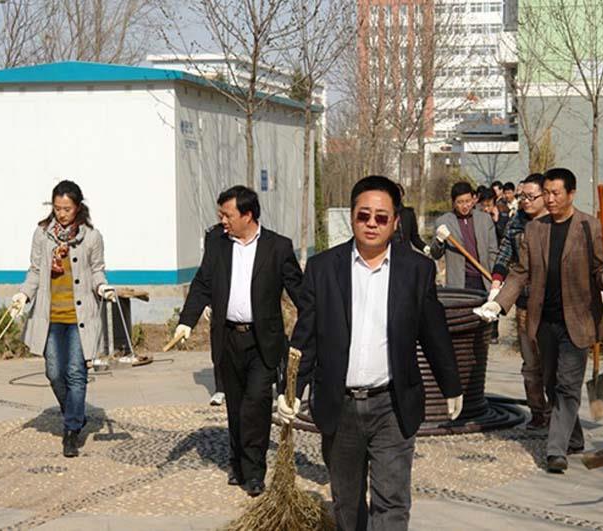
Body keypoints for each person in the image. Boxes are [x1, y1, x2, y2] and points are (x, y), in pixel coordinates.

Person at [277, 175, 462, 530]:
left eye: (381, 217)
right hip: (339, 404)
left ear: (395, 221)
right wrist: (292, 389)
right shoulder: (322, 268)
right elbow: (306, 335)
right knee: (347, 503)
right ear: (352, 217)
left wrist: (451, 384)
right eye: (364, 216)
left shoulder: (417, 270)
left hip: (392, 403)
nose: (372, 224)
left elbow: (433, 331)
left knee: (392, 501)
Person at [476, 168, 603, 473]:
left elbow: (599, 268)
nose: (550, 199)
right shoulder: (535, 229)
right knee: (552, 384)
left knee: (568, 384)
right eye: (547, 193)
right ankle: (574, 437)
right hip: (544, 320)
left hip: (578, 320)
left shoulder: (589, 226)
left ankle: (556, 450)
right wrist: (499, 303)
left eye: (556, 193)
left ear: (571, 193)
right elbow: (520, 273)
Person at [172, 185, 303, 496]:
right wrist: (186, 321)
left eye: (227, 215)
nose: (222, 220)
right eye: (221, 214)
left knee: (256, 404)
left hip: (262, 341)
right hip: (228, 338)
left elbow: (300, 292)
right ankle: (237, 462)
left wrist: (314, 327)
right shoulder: (217, 243)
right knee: (235, 405)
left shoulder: (277, 247)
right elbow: (202, 283)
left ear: (248, 215)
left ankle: (254, 472)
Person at [10, 180, 115, 457]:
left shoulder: (91, 237)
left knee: (76, 372)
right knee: (54, 372)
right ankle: (75, 413)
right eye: (57, 208)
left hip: (80, 317)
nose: (62, 214)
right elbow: (35, 270)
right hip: (50, 316)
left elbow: (97, 270)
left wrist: (102, 287)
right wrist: (23, 295)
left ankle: (71, 430)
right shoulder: (42, 234)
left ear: (78, 207)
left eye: (67, 209)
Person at [490, 173, 550, 430]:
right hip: (525, 302)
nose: (525, 201)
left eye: (530, 196)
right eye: (522, 196)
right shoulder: (517, 222)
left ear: (545, 196)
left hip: (552, 304)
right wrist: (496, 283)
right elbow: (505, 252)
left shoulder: (555, 222)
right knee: (531, 363)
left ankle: (559, 415)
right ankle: (538, 411)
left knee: (553, 364)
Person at [430, 182, 497, 292]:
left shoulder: (485, 219)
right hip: (459, 282)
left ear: (473, 200)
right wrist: (439, 240)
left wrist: (495, 278)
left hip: (484, 278)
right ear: (453, 203)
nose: (465, 206)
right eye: (460, 202)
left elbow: (493, 251)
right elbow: (435, 254)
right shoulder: (443, 222)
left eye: (467, 201)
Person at [393, 183, 427, 253]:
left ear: (402, 195)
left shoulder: (409, 214)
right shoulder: (384, 214)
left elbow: (414, 238)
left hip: (406, 252)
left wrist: (426, 248)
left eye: (399, 192)